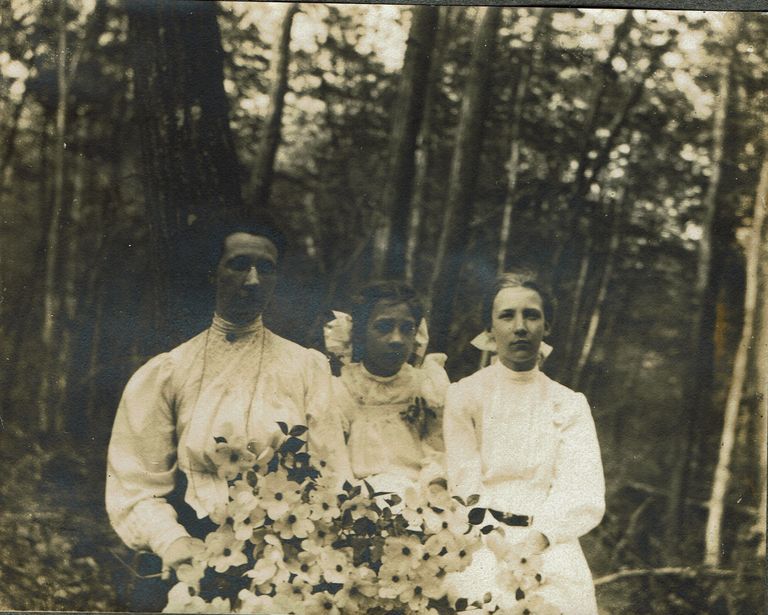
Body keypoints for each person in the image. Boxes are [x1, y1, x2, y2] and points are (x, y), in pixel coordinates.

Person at [105, 215, 350, 610]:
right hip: (196, 545)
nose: (253, 281)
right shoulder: (170, 371)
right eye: (238, 265)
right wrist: (172, 541)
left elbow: (331, 471)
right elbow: (135, 485)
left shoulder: (306, 367)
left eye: (266, 268)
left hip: (289, 549)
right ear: (212, 273)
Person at [443, 271, 605, 614]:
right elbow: (463, 482)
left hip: (550, 543)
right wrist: (500, 546)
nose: (520, 327)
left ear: (547, 326)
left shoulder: (568, 403)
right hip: (483, 541)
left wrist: (536, 542)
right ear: (490, 328)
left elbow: (581, 487)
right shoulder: (464, 395)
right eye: (507, 316)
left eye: (531, 315)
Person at [325, 281, 449, 497]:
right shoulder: (341, 390)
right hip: (359, 499)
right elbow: (335, 461)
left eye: (407, 329)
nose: (396, 339)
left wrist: (434, 487)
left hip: (418, 496)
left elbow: (437, 449)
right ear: (360, 333)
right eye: (384, 327)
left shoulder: (426, 387)